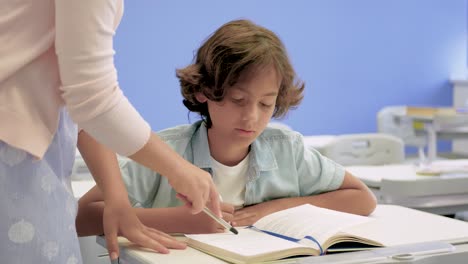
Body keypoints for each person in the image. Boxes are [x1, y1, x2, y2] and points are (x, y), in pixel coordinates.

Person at [76, 19, 377, 237]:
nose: (251, 118)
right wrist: (174, 220)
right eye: (237, 100)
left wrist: (277, 207)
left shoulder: (287, 149)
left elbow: (362, 198)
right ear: (203, 91)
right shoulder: (166, 153)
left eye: (265, 104)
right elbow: (81, 219)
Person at [0, 1, 221, 263]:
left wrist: (117, 196)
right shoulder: (173, 146)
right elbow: (92, 99)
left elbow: (79, 102)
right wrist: (177, 168)